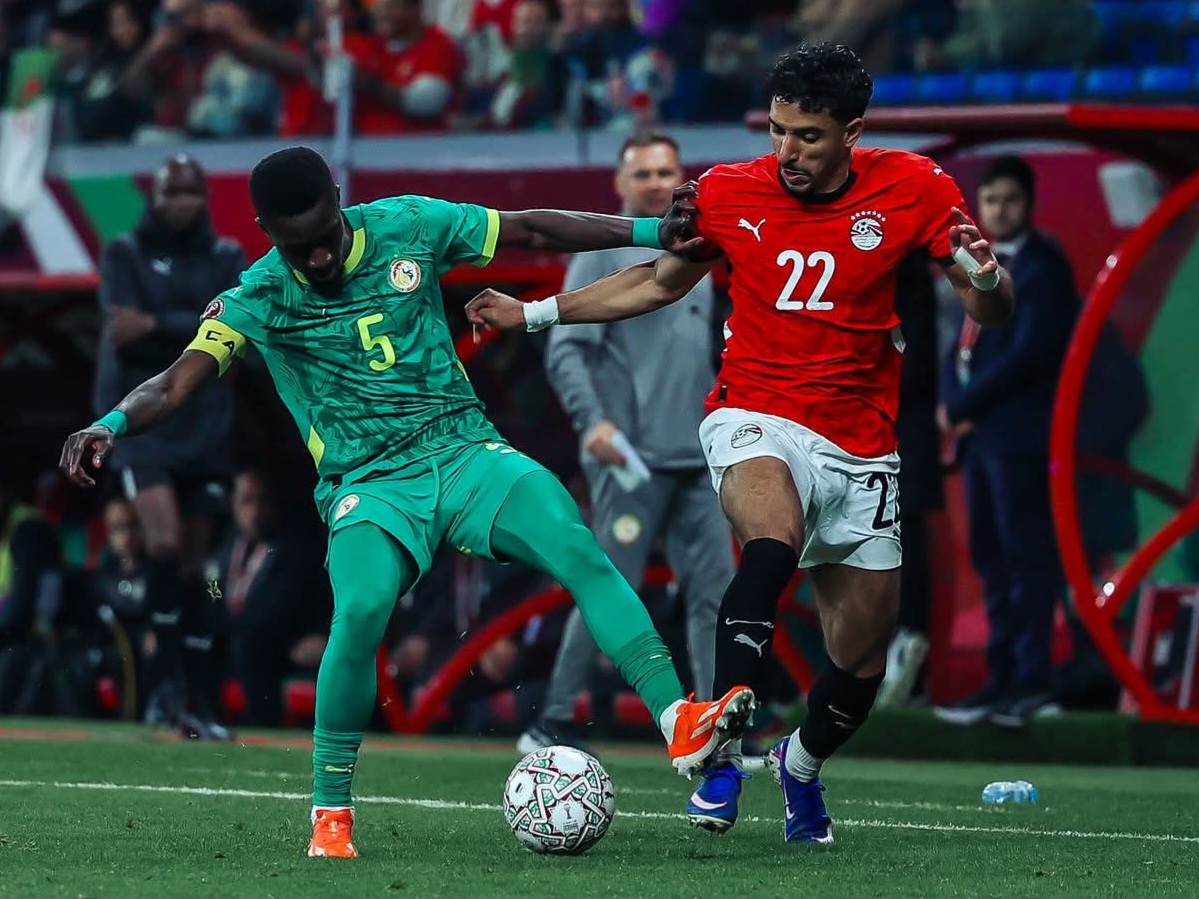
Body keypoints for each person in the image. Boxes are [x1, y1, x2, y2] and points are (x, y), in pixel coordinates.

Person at [60, 146, 755, 859]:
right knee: (361, 608)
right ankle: (331, 810)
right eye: (299, 247)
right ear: (268, 233)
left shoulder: (409, 224)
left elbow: (528, 227)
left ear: (337, 199)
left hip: (462, 449)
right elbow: (178, 379)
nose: (319, 257)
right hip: (369, 484)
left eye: (325, 236)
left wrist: (649, 232)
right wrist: (109, 423)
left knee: (575, 543)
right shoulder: (259, 294)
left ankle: (677, 718)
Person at [465, 42, 1014, 842]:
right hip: (752, 412)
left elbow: (988, 308)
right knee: (769, 540)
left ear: (851, 132)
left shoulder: (915, 187)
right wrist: (536, 312)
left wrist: (988, 280)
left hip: (860, 441)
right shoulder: (726, 190)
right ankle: (718, 757)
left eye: (807, 137)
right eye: (778, 131)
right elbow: (656, 280)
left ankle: (798, 764)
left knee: (859, 659)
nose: (787, 151)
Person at [518, 131, 733, 754]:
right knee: (609, 587)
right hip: (631, 459)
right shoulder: (600, 254)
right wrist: (593, 422)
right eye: (643, 174)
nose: (656, 183)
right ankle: (552, 721)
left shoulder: (694, 247)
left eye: (666, 171)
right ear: (619, 184)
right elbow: (566, 351)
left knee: (716, 594)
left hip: (698, 455)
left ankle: (715, 722)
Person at [92, 154, 245, 736]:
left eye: (191, 193)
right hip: (145, 422)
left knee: (201, 569)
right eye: (172, 193)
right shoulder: (124, 253)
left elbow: (232, 327)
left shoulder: (226, 256)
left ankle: (199, 696)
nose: (181, 203)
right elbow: (124, 336)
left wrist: (156, 324)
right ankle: (165, 684)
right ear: (155, 197)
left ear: (203, 198)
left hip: (204, 423)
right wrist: (192, 328)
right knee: (162, 542)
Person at [932, 155, 1080, 728]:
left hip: (1020, 439)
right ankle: (1000, 681)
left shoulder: (1045, 267)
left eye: (1010, 199)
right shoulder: (976, 262)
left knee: (1026, 561)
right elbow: (959, 347)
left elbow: (1031, 355)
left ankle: (1033, 683)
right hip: (981, 441)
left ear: (1030, 204)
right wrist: (953, 402)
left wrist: (963, 406)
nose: (1000, 210)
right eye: (990, 199)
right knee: (991, 561)